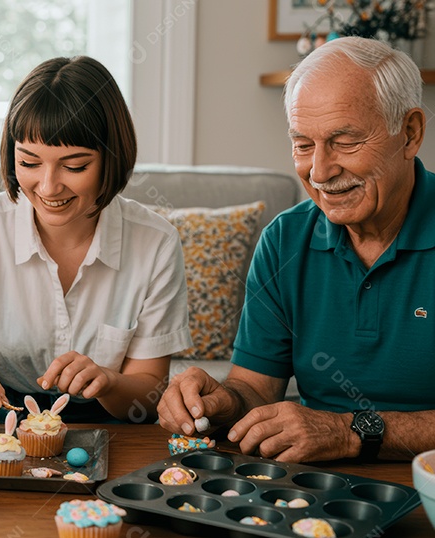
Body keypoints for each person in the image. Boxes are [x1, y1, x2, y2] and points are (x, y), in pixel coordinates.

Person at [159, 37, 435, 462]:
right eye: (303, 144)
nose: (320, 171)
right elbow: (254, 388)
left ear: (410, 133)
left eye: (345, 141)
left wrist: (351, 432)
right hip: (311, 486)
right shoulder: (284, 241)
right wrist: (220, 403)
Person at [0, 56, 192, 423]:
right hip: (2, 410)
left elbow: (147, 393)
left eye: (75, 166)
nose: (48, 187)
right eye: (30, 163)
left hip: (107, 414)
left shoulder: (155, 243)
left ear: (112, 157)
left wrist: (108, 382)